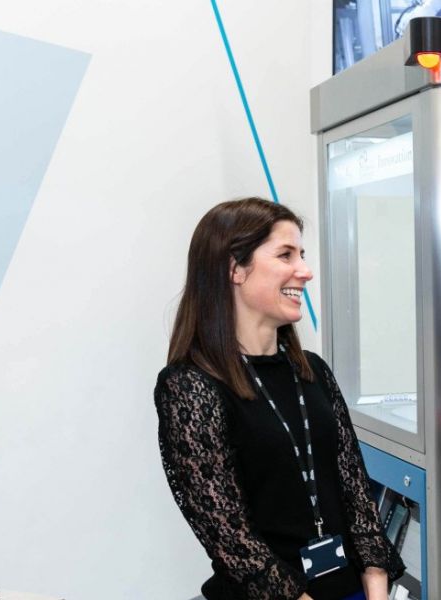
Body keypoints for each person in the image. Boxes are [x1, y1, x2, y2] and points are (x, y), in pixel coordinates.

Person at [155, 198, 404, 600]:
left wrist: (377, 589)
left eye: (301, 255)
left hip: (352, 590)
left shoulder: (314, 370)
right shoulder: (190, 387)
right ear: (234, 268)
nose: (304, 271)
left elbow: (356, 491)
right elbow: (230, 537)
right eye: (285, 254)